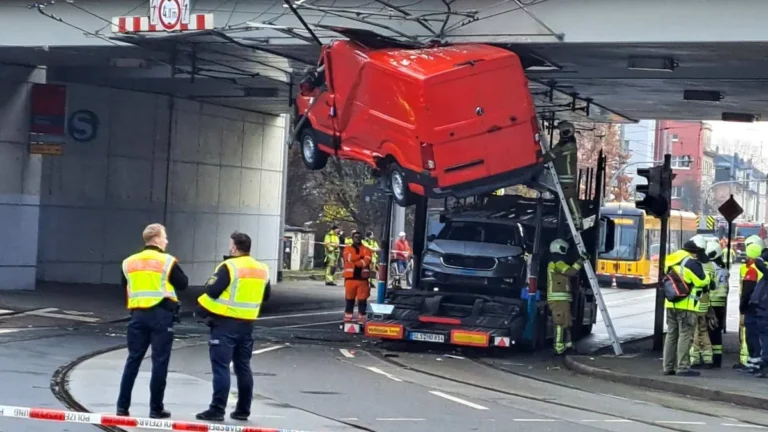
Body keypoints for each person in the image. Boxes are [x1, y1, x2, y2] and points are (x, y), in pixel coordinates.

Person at [195, 232, 270, 422]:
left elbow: (212, 290)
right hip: (247, 325)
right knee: (243, 367)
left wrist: (202, 310)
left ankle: (217, 409)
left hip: (225, 323)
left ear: (234, 248)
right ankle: (243, 410)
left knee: (221, 367)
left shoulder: (229, 266)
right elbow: (266, 295)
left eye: (231, 245)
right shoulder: (262, 269)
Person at [117, 223, 189, 418]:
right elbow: (183, 283)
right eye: (164, 237)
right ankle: (156, 409)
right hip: (161, 315)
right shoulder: (166, 261)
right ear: (156, 239)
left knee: (133, 360)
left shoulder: (129, 262)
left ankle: (122, 407)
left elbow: (125, 285)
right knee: (159, 362)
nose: (166, 241)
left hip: (137, 316)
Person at [663, 236, 710, 377]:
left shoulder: (671, 260)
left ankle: (667, 367)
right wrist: (708, 276)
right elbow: (702, 282)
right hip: (687, 306)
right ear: (694, 252)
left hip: (671, 303)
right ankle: (682, 367)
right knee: (685, 335)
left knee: (671, 335)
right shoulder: (691, 263)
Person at [547, 238, 585, 355]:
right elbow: (570, 271)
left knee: (566, 322)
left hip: (562, 298)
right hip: (558, 299)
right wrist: (581, 261)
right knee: (560, 323)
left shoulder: (557, 262)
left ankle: (568, 344)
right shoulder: (557, 263)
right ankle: (559, 347)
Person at [543, 120, 582, 230]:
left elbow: (548, 157)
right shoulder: (569, 144)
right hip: (566, 179)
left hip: (566, 181)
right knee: (569, 201)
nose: (560, 134)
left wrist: (538, 157)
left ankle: (577, 223)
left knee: (570, 200)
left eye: (561, 132)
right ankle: (576, 222)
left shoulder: (565, 146)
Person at [735, 236, 764, 370]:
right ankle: (756, 362)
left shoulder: (752, 270)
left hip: (752, 307)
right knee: (759, 335)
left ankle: (754, 362)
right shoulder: (764, 267)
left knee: (751, 336)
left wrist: (742, 307)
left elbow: (747, 292)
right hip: (762, 307)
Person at [690, 241, 719, 369]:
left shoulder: (697, 265)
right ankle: (708, 358)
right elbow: (712, 285)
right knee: (703, 330)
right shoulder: (710, 265)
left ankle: (694, 359)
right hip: (705, 300)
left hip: (696, 300)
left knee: (695, 331)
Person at [343, 231, 373, 323]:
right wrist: (360, 257)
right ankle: (348, 318)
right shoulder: (347, 249)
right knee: (349, 299)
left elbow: (367, 260)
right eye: (355, 236)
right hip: (350, 279)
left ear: (362, 238)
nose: (357, 238)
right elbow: (349, 258)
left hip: (362, 279)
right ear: (352, 238)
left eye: (359, 236)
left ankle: (361, 318)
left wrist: (356, 262)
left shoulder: (367, 249)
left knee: (362, 300)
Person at [708, 242, 729, 368]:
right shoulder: (724, 268)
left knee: (709, 331)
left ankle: (710, 359)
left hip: (711, 303)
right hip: (721, 303)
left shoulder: (711, 267)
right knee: (717, 332)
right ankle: (717, 359)